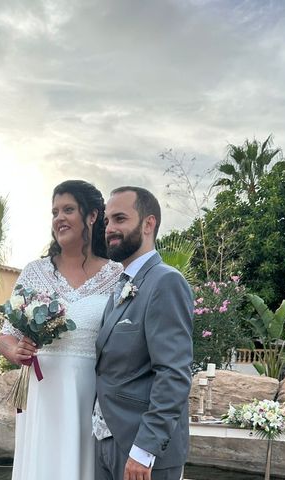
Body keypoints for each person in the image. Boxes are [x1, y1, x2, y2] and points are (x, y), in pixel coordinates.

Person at [0, 180, 123, 480]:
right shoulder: (35, 272)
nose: (59, 218)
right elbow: (5, 334)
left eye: (68, 209)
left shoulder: (117, 275)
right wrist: (15, 351)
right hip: (43, 393)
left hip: (91, 393)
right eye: (55, 212)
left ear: (92, 216)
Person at [94, 186, 193, 480]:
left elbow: (174, 373)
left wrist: (144, 450)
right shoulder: (122, 283)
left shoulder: (165, 282)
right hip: (108, 443)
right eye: (107, 221)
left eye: (120, 219)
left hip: (141, 452)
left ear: (148, 224)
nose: (110, 229)